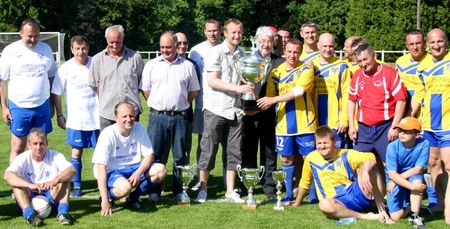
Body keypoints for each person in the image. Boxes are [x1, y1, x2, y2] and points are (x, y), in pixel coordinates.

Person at [196, 18, 253, 203]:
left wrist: (250, 82)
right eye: (233, 32)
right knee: (208, 150)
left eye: (239, 32)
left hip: (236, 111)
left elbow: (245, 78)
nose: (237, 35)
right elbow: (212, 80)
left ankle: (230, 190)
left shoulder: (244, 54)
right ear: (225, 33)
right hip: (215, 109)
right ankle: (202, 188)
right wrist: (237, 88)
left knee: (234, 152)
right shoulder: (216, 52)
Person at [291, 126, 393, 224]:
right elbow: (305, 182)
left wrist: (365, 172)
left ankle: (382, 211)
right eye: (319, 143)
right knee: (324, 205)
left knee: (372, 168)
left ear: (334, 142)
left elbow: (370, 156)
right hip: (335, 202)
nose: (322, 146)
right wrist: (297, 202)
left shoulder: (345, 154)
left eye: (325, 143)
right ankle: (365, 216)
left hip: (355, 194)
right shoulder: (311, 158)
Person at [141, 31, 200, 199]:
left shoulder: (187, 66)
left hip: (180, 117)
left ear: (176, 46)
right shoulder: (151, 65)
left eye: (168, 47)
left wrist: (179, 104)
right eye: (162, 47)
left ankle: (179, 191)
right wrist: (159, 105)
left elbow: (193, 91)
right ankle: (154, 190)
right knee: (156, 154)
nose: (165, 50)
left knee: (180, 156)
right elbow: (145, 90)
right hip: (157, 117)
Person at [257, 38, 317, 203]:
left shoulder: (307, 67)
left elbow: (298, 91)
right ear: (284, 52)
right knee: (286, 159)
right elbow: (268, 97)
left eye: (296, 52)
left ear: (300, 52)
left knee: (309, 159)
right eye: (289, 51)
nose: (292, 55)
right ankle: (289, 194)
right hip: (284, 124)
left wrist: (272, 100)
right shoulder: (276, 72)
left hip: (305, 122)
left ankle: (313, 195)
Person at [92, 101, 167, 215]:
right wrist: (104, 200)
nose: (129, 119)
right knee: (125, 188)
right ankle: (109, 196)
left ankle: (134, 197)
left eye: (131, 116)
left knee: (161, 170)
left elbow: (149, 155)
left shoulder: (139, 128)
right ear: (116, 118)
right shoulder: (107, 134)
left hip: (133, 167)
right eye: (124, 116)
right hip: (113, 170)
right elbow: (100, 166)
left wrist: (138, 173)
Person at [0, 18, 57, 164]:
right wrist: (4, 107)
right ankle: (17, 185)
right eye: (29, 36)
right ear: (21, 33)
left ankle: (40, 181)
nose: (33, 39)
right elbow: (2, 80)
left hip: (42, 105)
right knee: (18, 146)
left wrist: (51, 103)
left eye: (36, 36)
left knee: (40, 146)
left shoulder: (46, 49)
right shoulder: (10, 51)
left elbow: (51, 77)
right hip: (19, 106)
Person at [51, 35, 100, 198]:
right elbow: (56, 93)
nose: (81, 52)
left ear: (88, 48)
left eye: (84, 48)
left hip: (97, 119)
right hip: (76, 120)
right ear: (72, 50)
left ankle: (102, 183)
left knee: (100, 154)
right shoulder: (65, 68)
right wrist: (60, 115)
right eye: (77, 48)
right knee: (76, 153)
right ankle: (77, 186)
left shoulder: (96, 63)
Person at [240, 26, 282, 201]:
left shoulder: (279, 61)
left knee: (269, 150)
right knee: (248, 149)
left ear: (274, 42)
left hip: (270, 112)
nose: (265, 44)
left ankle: (269, 186)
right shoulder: (246, 60)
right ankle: (247, 184)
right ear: (257, 41)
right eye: (263, 41)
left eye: (269, 41)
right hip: (250, 111)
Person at [348, 42, 407, 163]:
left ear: (374, 56)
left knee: (391, 166)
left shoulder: (389, 73)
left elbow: (401, 100)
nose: (363, 64)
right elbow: (351, 101)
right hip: (364, 129)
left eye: (365, 59)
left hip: (385, 127)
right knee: (362, 164)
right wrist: (352, 125)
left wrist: (395, 126)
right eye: (359, 61)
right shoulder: (357, 76)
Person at [4, 128, 75, 226]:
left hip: (50, 194)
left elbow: (71, 170)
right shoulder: (22, 158)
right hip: (28, 197)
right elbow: (7, 175)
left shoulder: (55, 156)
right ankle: (30, 216)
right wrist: (29, 185)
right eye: (35, 143)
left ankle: (63, 213)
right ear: (29, 145)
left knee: (64, 180)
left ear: (46, 144)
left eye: (42, 143)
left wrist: (54, 181)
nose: (39, 147)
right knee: (17, 185)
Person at [417, 28, 450, 223]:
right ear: (427, 44)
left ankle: (449, 209)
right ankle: (441, 203)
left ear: (446, 42)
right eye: (432, 42)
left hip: (447, 125)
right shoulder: (423, 65)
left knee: (449, 165)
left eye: (440, 41)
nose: (436, 46)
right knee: (433, 164)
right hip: (428, 125)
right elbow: (421, 95)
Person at [188, 20, 225, 189]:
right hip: (203, 103)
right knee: (204, 141)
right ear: (204, 32)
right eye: (209, 31)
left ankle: (229, 181)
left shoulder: (227, 48)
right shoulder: (196, 51)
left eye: (215, 30)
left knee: (226, 142)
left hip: (225, 102)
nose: (213, 34)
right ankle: (199, 177)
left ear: (221, 31)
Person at [89, 25, 144, 131]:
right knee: (108, 146)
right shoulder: (97, 60)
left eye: (118, 42)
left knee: (132, 145)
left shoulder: (135, 57)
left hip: (131, 114)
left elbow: (142, 83)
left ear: (123, 39)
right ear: (106, 39)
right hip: (107, 114)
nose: (114, 45)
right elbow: (95, 86)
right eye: (111, 42)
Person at [385, 117, 429, 228]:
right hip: (394, 178)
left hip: (410, 175)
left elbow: (418, 169)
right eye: (400, 130)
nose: (401, 134)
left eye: (406, 131)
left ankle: (415, 216)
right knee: (396, 217)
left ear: (417, 135)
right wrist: (411, 187)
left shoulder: (424, 144)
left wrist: (413, 186)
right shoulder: (392, 146)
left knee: (417, 183)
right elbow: (392, 174)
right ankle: (411, 207)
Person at [312, 33, 350, 149]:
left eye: (331, 46)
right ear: (318, 45)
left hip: (336, 122)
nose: (328, 49)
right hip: (315, 121)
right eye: (324, 46)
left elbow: (347, 94)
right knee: (317, 154)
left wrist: (344, 120)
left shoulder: (342, 66)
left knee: (336, 154)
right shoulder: (311, 66)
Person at [175, 32, 201, 164]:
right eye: (179, 43)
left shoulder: (192, 65)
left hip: (186, 114)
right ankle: (159, 184)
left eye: (185, 43)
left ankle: (181, 182)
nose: (182, 46)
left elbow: (194, 90)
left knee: (184, 149)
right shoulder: (160, 63)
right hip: (163, 115)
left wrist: (183, 104)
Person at [395, 30, 432, 117]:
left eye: (418, 43)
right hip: (403, 111)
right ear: (406, 45)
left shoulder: (432, 61)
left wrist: (409, 114)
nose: (415, 47)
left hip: (424, 114)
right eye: (411, 44)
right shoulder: (400, 62)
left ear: (425, 43)